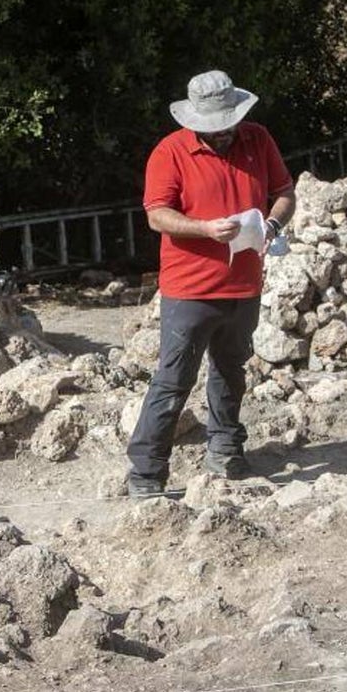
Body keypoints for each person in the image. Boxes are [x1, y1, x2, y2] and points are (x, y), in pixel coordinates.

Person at [126, 69, 296, 496]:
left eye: (227, 126)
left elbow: (285, 192)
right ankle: (146, 474)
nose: (222, 134)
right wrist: (204, 229)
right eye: (212, 129)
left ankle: (225, 450)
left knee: (230, 370)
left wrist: (272, 224)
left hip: (244, 285)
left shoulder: (258, 139)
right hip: (190, 289)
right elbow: (156, 214)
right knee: (172, 380)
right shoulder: (170, 152)